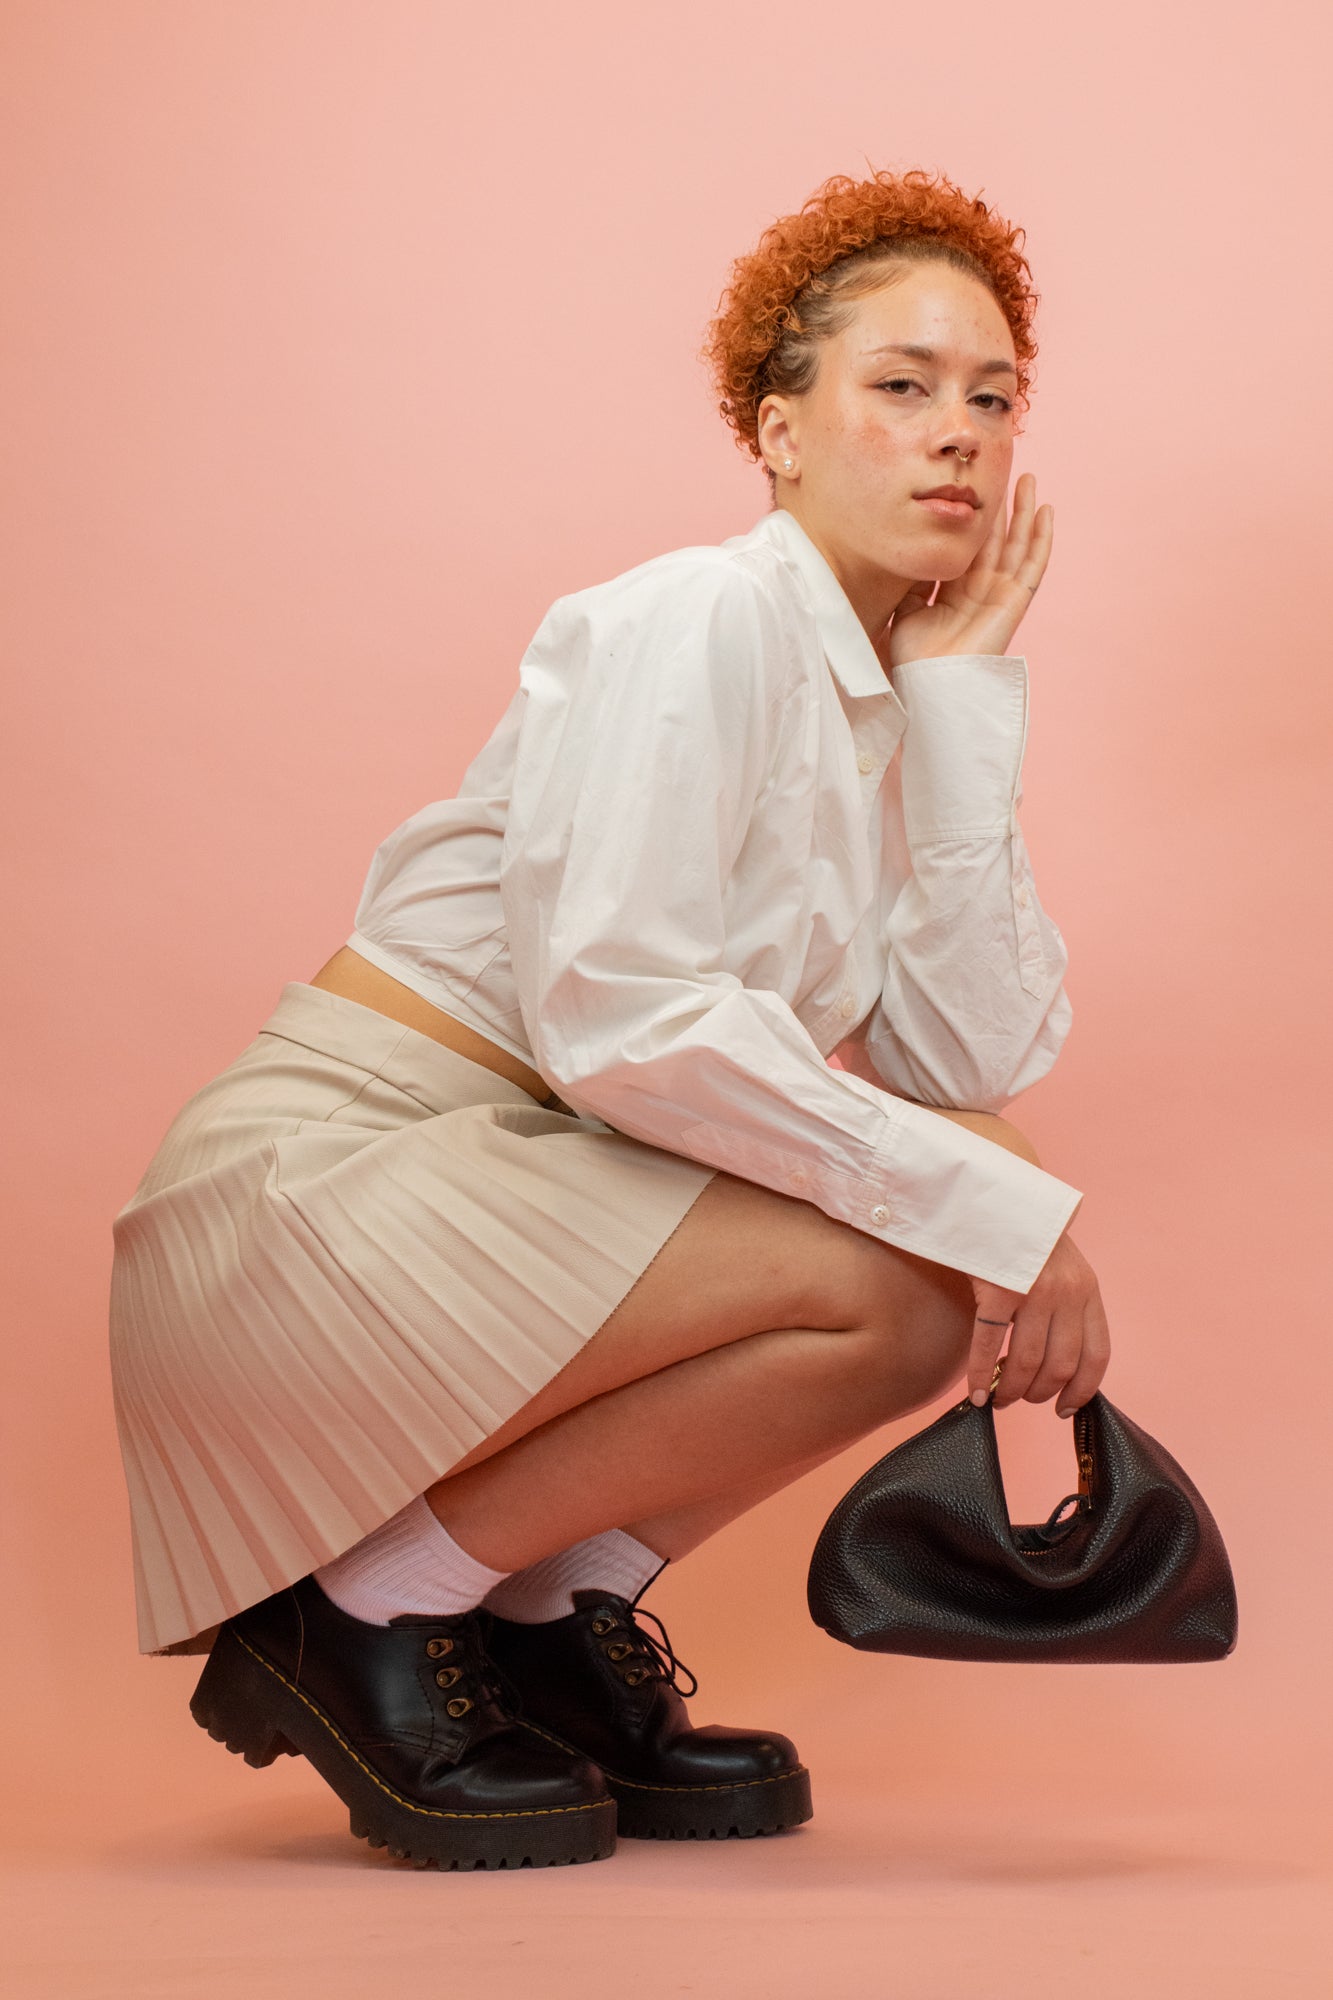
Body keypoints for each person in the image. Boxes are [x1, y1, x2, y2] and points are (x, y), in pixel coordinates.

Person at [108, 164, 1111, 1871]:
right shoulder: (696, 617)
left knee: (909, 1303)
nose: (958, 433)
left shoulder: (870, 700)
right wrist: (1006, 1206)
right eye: (900, 384)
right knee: (896, 1274)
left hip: (511, 1184)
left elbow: (962, 1059)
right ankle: (361, 1613)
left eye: (993, 398)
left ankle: (538, 1624)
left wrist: (960, 711)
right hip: (322, 1196)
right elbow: (623, 1025)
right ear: (776, 430)